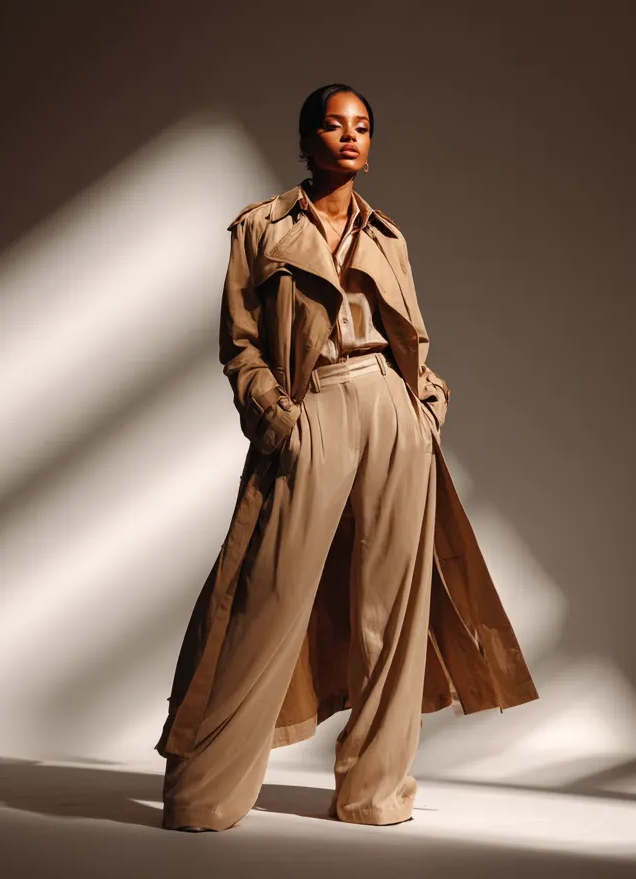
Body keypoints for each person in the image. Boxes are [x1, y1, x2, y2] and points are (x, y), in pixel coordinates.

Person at [156, 83, 538, 832]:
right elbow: (240, 347)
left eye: (361, 127)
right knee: (265, 595)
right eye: (333, 125)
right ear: (306, 141)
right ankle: (206, 792)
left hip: (392, 414)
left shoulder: (389, 236)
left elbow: (412, 341)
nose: (349, 137)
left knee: (393, 610)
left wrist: (427, 408)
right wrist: (277, 419)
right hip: (313, 409)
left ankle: (374, 792)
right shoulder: (260, 230)